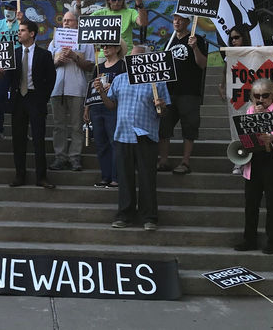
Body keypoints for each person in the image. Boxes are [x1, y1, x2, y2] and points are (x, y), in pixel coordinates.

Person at [94, 45, 169, 230]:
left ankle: (149, 217)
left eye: (138, 57)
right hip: (123, 134)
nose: (133, 61)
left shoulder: (157, 82)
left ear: (146, 60)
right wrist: (102, 92)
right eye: (131, 58)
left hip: (146, 135)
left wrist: (161, 105)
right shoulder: (120, 79)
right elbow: (111, 105)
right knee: (125, 178)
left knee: (147, 178)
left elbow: (163, 111)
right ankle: (124, 215)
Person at [233, 79, 273, 255]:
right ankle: (249, 239)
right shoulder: (251, 109)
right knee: (251, 202)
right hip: (255, 160)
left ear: (272, 95)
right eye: (257, 96)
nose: (261, 99)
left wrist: (272, 138)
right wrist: (255, 118)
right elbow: (245, 132)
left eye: (265, 96)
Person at [6, 19, 56, 189]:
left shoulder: (44, 55)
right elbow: (9, 78)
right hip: (18, 99)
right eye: (19, 30)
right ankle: (20, 175)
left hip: (36, 99)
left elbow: (51, 79)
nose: (19, 33)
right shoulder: (14, 53)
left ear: (32, 33)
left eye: (22, 30)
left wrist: (43, 98)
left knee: (39, 139)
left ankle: (41, 176)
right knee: (18, 139)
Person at [158, 12, 208, 175]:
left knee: (189, 127)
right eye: (174, 18)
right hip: (168, 92)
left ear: (188, 21)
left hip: (189, 92)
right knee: (164, 127)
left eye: (180, 19)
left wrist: (194, 48)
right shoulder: (169, 40)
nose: (176, 21)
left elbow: (202, 64)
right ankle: (164, 160)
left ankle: (185, 162)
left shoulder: (198, 40)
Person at [47, 11, 95, 171]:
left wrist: (75, 57)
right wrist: (56, 61)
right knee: (58, 125)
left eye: (69, 20)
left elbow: (90, 66)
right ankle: (60, 157)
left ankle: (75, 158)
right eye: (64, 20)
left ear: (77, 23)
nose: (66, 23)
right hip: (56, 87)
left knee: (76, 125)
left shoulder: (85, 40)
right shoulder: (55, 41)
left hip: (76, 88)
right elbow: (46, 64)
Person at [83, 40, 128, 188]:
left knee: (114, 142)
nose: (105, 48)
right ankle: (105, 176)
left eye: (109, 46)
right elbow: (91, 88)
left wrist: (113, 86)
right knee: (101, 144)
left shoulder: (123, 66)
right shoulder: (98, 67)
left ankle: (116, 177)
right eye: (104, 46)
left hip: (114, 107)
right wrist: (87, 109)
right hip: (97, 107)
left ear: (117, 48)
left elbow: (128, 86)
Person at [217, 25, 252, 175]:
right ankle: (239, 161)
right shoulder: (230, 55)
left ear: (244, 37)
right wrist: (222, 86)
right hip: (235, 96)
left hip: (251, 95)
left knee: (250, 127)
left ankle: (251, 160)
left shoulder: (254, 54)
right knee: (235, 128)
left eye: (236, 37)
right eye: (231, 39)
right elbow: (226, 72)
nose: (233, 41)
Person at [74, 0, 147, 54]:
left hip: (125, 54)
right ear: (108, 0)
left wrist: (139, 1)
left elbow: (143, 22)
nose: (117, 2)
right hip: (105, 56)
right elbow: (82, 23)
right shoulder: (101, 13)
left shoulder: (131, 12)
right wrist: (78, 2)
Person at [0, 1, 23, 139]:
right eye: (6, 8)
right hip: (2, 65)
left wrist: (21, 22)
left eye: (11, 8)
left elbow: (28, 39)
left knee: (19, 98)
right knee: (0, 96)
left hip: (20, 64)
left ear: (16, 10)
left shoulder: (21, 24)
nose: (8, 11)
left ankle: (20, 131)